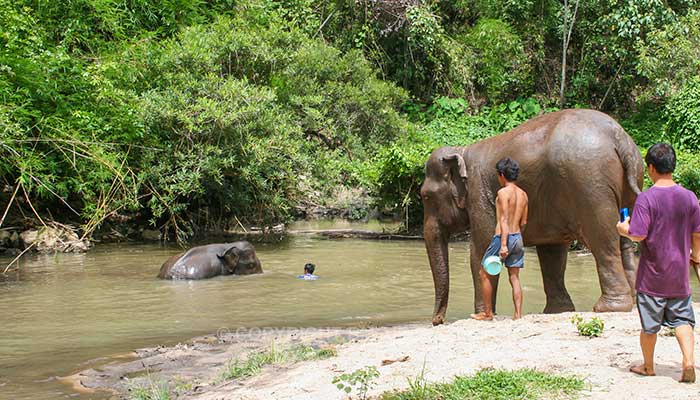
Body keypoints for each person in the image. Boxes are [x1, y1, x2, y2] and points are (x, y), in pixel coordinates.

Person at [617, 142, 700, 383]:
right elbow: (697, 233)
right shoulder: (689, 197)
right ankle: (687, 362)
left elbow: (638, 234)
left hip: (652, 276)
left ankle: (649, 366)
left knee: (650, 326)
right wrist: (696, 254)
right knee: (683, 320)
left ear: (651, 168)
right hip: (679, 275)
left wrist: (624, 229)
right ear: (672, 166)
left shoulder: (647, 198)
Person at [471, 157, 529, 321]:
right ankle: (517, 315)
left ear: (502, 174)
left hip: (501, 238)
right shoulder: (524, 195)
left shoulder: (503, 193)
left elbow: (503, 220)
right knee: (514, 277)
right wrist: (515, 238)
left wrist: (503, 244)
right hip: (517, 237)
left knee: (484, 272)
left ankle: (487, 313)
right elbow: (524, 222)